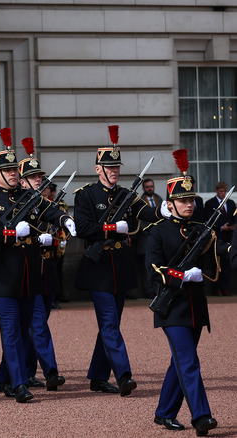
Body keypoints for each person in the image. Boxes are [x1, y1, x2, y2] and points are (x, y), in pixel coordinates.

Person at [0, 128, 74, 403]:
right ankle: (18, 383)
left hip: (29, 276)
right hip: (2, 276)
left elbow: (47, 209)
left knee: (24, 329)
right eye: (7, 170)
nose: (14, 174)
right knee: (11, 329)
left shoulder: (28, 197)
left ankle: (5, 376)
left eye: (14, 169)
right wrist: (8, 234)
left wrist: (64, 219)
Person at [73, 125, 164, 397]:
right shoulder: (86, 194)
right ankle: (124, 375)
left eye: (117, 167)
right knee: (110, 323)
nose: (114, 171)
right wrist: (114, 229)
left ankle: (98, 377)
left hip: (120, 267)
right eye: (109, 167)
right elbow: (83, 227)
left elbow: (147, 214)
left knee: (110, 325)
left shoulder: (127, 195)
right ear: (98, 168)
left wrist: (166, 210)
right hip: (98, 267)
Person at [146, 149, 219, 436]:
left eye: (191, 200)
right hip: (172, 307)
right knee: (189, 360)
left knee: (180, 362)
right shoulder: (158, 231)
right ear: (171, 204)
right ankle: (201, 417)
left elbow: (212, 270)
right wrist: (181, 275)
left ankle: (164, 412)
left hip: (195, 308)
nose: (189, 205)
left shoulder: (201, 230)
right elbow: (153, 270)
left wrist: (211, 247)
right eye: (183, 201)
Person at [17, 138, 68, 391]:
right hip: (28, 270)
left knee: (34, 324)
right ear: (22, 180)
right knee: (38, 323)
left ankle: (26, 370)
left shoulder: (45, 203)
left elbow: (57, 223)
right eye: (33, 177)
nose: (39, 180)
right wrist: (37, 237)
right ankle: (51, 371)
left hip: (47, 269)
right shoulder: (19, 203)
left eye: (39, 176)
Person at [203, 181, 235, 296]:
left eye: (224, 191)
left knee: (227, 264)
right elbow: (207, 220)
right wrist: (221, 227)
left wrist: (232, 226)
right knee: (216, 264)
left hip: (228, 237)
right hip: (216, 237)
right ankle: (217, 288)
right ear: (217, 191)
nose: (223, 193)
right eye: (221, 191)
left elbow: (233, 218)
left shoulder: (231, 203)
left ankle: (225, 287)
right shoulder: (210, 203)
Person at [135, 178, 164, 299]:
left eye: (151, 186)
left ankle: (159, 288)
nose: (149, 189)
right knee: (147, 266)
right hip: (145, 239)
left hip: (159, 238)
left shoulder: (159, 199)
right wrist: (150, 231)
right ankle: (149, 290)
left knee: (159, 264)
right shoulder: (139, 201)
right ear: (143, 188)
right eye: (147, 187)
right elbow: (139, 220)